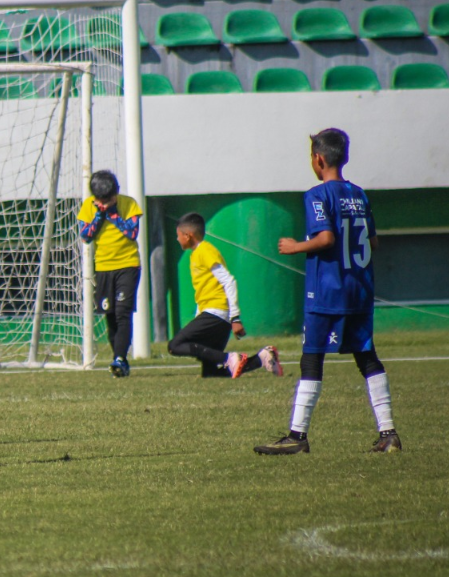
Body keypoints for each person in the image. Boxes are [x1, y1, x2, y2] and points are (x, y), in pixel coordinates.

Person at [255, 129, 401, 455]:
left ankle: (297, 436)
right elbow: (373, 242)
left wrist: (296, 247)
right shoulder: (360, 194)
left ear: (318, 159)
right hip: (359, 290)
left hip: (328, 292)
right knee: (366, 357)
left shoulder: (317, 195)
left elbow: (326, 238)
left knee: (312, 359)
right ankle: (389, 432)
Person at [169, 212, 283, 379]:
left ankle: (229, 357)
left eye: (178, 235)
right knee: (211, 373)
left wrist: (235, 317)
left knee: (175, 345)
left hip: (216, 313)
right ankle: (262, 358)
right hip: (214, 316)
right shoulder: (196, 254)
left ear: (188, 235)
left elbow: (229, 281)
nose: (177, 239)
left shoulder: (205, 251)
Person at [77, 170, 143, 377]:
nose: (104, 202)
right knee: (110, 315)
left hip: (128, 265)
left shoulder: (129, 204)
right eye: (100, 200)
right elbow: (86, 236)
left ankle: (121, 358)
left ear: (117, 192)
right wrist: (99, 215)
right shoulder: (88, 207)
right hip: (103, 267)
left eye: (108, 198)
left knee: (124, 312)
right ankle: (118, 359)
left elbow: (132, 233)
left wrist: (113, 213)